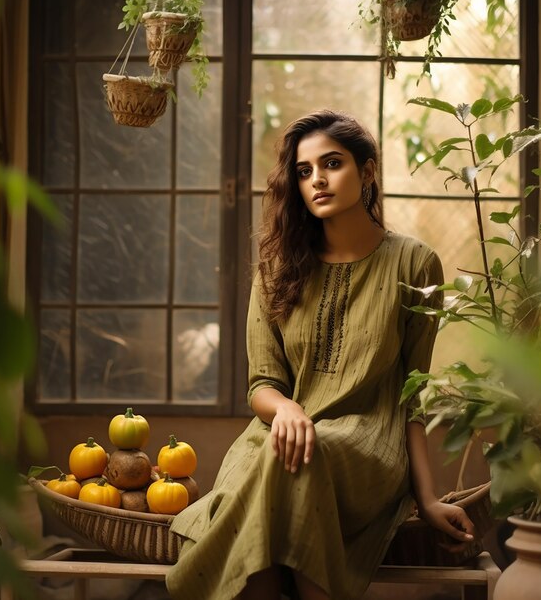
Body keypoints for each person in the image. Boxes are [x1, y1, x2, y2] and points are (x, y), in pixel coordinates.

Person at [166, 110, 475, 600]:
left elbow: (412, 394)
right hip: (275, 435)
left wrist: (426, 497)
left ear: (367, 171)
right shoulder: (276, 270)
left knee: (301, 457)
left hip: (366, 446)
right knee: (280, 456)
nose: (317, 181)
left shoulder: (415, 262)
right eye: (304, 171)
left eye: (332, 164)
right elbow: (262, 385)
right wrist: (287, 408)